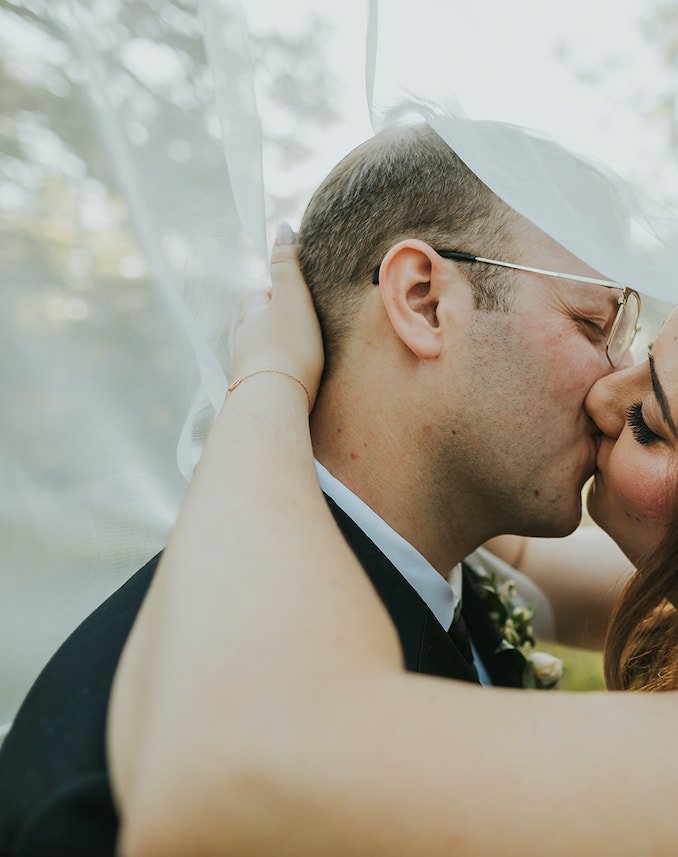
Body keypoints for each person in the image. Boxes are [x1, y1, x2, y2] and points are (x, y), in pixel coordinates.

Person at [106, 236, 678, 856]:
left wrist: (267, 377)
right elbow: (518, 556)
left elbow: (238, 766)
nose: (603, 395)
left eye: (653, 423)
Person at [0, 122, 638, 854]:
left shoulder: (455, 577)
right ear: (424, 299)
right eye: (595, 323)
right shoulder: (129, 768)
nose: (618, 381)